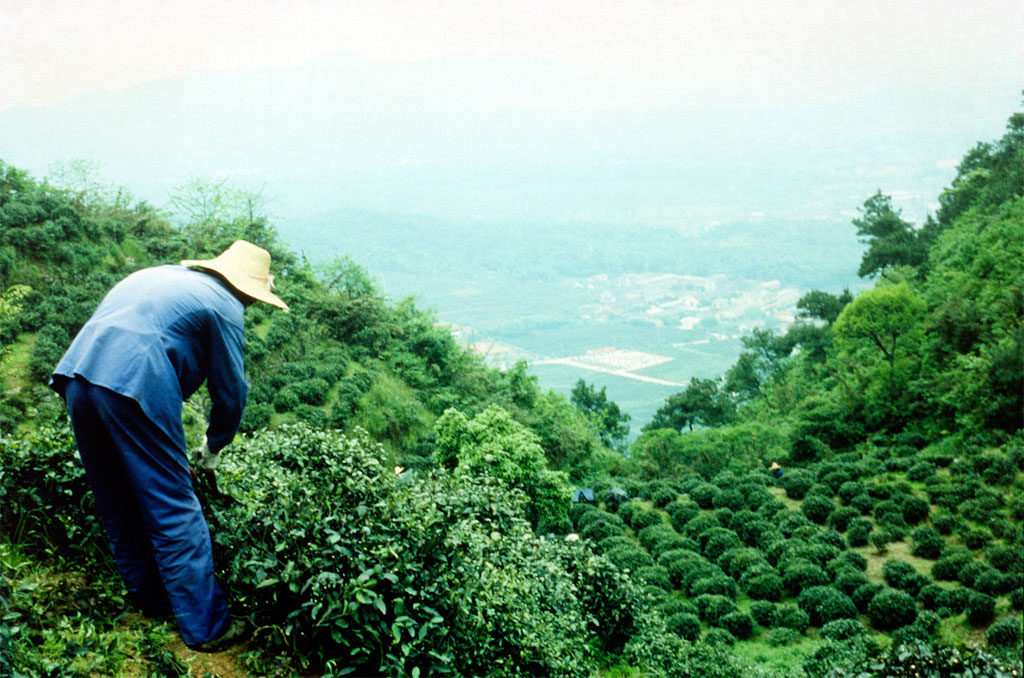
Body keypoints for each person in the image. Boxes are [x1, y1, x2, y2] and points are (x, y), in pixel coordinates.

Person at [49, 240, 288, 652]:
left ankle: (150, 599)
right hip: (133, 384)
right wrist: (213, 449)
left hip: (77, 376)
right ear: (247, 289)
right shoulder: (225, 305)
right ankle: (207, 629)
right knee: (175, 506)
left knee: (115, 496)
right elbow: (231, 393)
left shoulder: (159, 276)